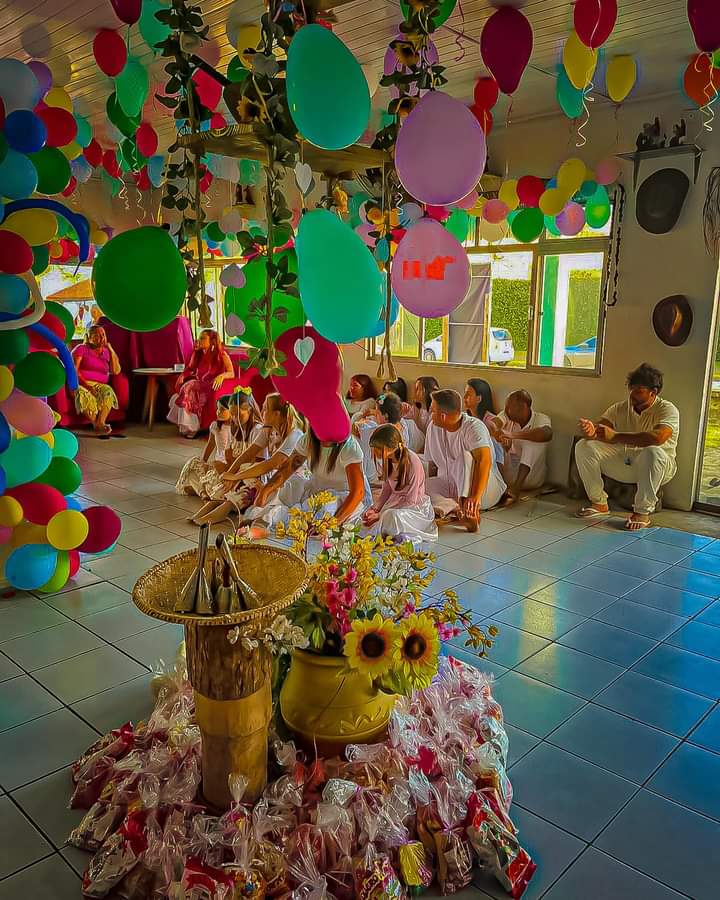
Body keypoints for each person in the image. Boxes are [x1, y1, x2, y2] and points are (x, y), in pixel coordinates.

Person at [574, 363, 679, 530]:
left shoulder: (667, 409)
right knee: (584, 446)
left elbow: (658, 438)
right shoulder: (620, 408)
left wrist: (616, 436)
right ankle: (599, 503)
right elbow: (600, 430)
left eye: (639, 391)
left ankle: (642, 512)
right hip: (625, 462)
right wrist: (591, 430)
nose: (633, 394)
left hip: (657, 467)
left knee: (652, 452)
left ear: (654, 392)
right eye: (631, 389)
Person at [193, 393, 305, 525]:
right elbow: (246, 454)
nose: (262, 412)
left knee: (245, 481)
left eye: (266, 409)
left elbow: (270, 464)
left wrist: (237, 476)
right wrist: (231, 474)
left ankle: (221, 510)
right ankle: (213, 507)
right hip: (271, 478)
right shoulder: (268, 430)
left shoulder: (295, 434)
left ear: (276, 414)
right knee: (235, 478)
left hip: (287, 483)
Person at [241, 425, 371, 537]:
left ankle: (266, 525)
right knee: (286, 487)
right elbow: (288, 468)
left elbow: (357, 493)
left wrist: (333, 523)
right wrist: (265, 491)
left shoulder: (349, 446)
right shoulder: (309, 438)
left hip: (344, 497)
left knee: (319, 511)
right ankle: (259, 517)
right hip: (316, 489)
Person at [424, 389, 506, 531]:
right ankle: (454, 508)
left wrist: (474, 498)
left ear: (443, 416)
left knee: (465, 457)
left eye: (432, 411)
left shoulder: (474, 427)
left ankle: (468, 512)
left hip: (483, 489)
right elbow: (431, 464)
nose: (430, 415)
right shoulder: (433, 427)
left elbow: (484, 461)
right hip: (450, 486)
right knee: (419, 487)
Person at [362, 424, 437, 544]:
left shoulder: (413, 462)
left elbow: (411, 500)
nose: (374, 452)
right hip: (394, 504)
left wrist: (381, 515)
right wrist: (375, 509)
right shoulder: (388, 461)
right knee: (367, 516)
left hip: (412, 509)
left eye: (377, 448)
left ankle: (392, 531)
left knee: (391, 516)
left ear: (389, 447)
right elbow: (386, 490)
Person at [167, 329, 234, 438]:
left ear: (212, 341)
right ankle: (189, 427)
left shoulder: (221, 354)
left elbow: (231, 372)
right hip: (199, 385)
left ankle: (192, 428)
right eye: (199, 338)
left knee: (190, 387)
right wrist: (182, 376)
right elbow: (190, 368)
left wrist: (221, 376)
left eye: (203, 338)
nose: (199, 340)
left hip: (211, 386)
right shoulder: (198, 353)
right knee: (189, 387)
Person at [490, 389, 552, 504]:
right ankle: (496, 486)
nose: (506, 410)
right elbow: (493, 423)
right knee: (490, 440)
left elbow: (547, 434)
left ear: (523, 408)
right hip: (507, 477)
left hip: (531, 479)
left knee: (531, 441)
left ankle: (515, 490)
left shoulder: (541, 418)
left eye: (510, 407)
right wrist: (496, 433)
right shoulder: (506, 415)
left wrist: (512, 435)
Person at [175, 396, 235, 497]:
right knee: (194, 463)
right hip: (216, 462)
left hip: (227, 465)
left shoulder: (236, 429)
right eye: (217, 409)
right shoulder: (215, 426)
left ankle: (201, 490)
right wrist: (203, 461)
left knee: (215, 478)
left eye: (222, 409)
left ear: (232, 411)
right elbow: (211, 444)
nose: (218, 412)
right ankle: (202, 491)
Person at [72, 325, 122, 437]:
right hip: (81, 383)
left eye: (103, 335)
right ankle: (98, 425)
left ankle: (100, 423)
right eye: (97, 336)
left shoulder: (106, 352)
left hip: (100, 385)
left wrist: (111, 350)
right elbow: (74, 370)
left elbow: (115, 371)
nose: (101, 338)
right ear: (89, 338)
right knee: (83, 394)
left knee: (108, 391)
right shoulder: (81, 349)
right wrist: (87, 386)